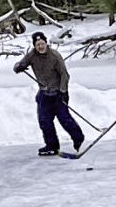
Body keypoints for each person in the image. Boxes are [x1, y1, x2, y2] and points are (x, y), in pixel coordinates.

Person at [13, 29, 86, 157]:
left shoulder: (55, 56)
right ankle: (52, 146)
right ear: (34, 46)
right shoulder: (32, 55)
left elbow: (65, 75)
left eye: (42, 43)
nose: (40, 46)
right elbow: (20, 64)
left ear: (46, 43)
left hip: (58, 92)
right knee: (44, 121)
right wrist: (19, 67)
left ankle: (78, 137)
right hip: (44, 94)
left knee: (64, 119)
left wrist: (62, 92)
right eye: (37, 45)